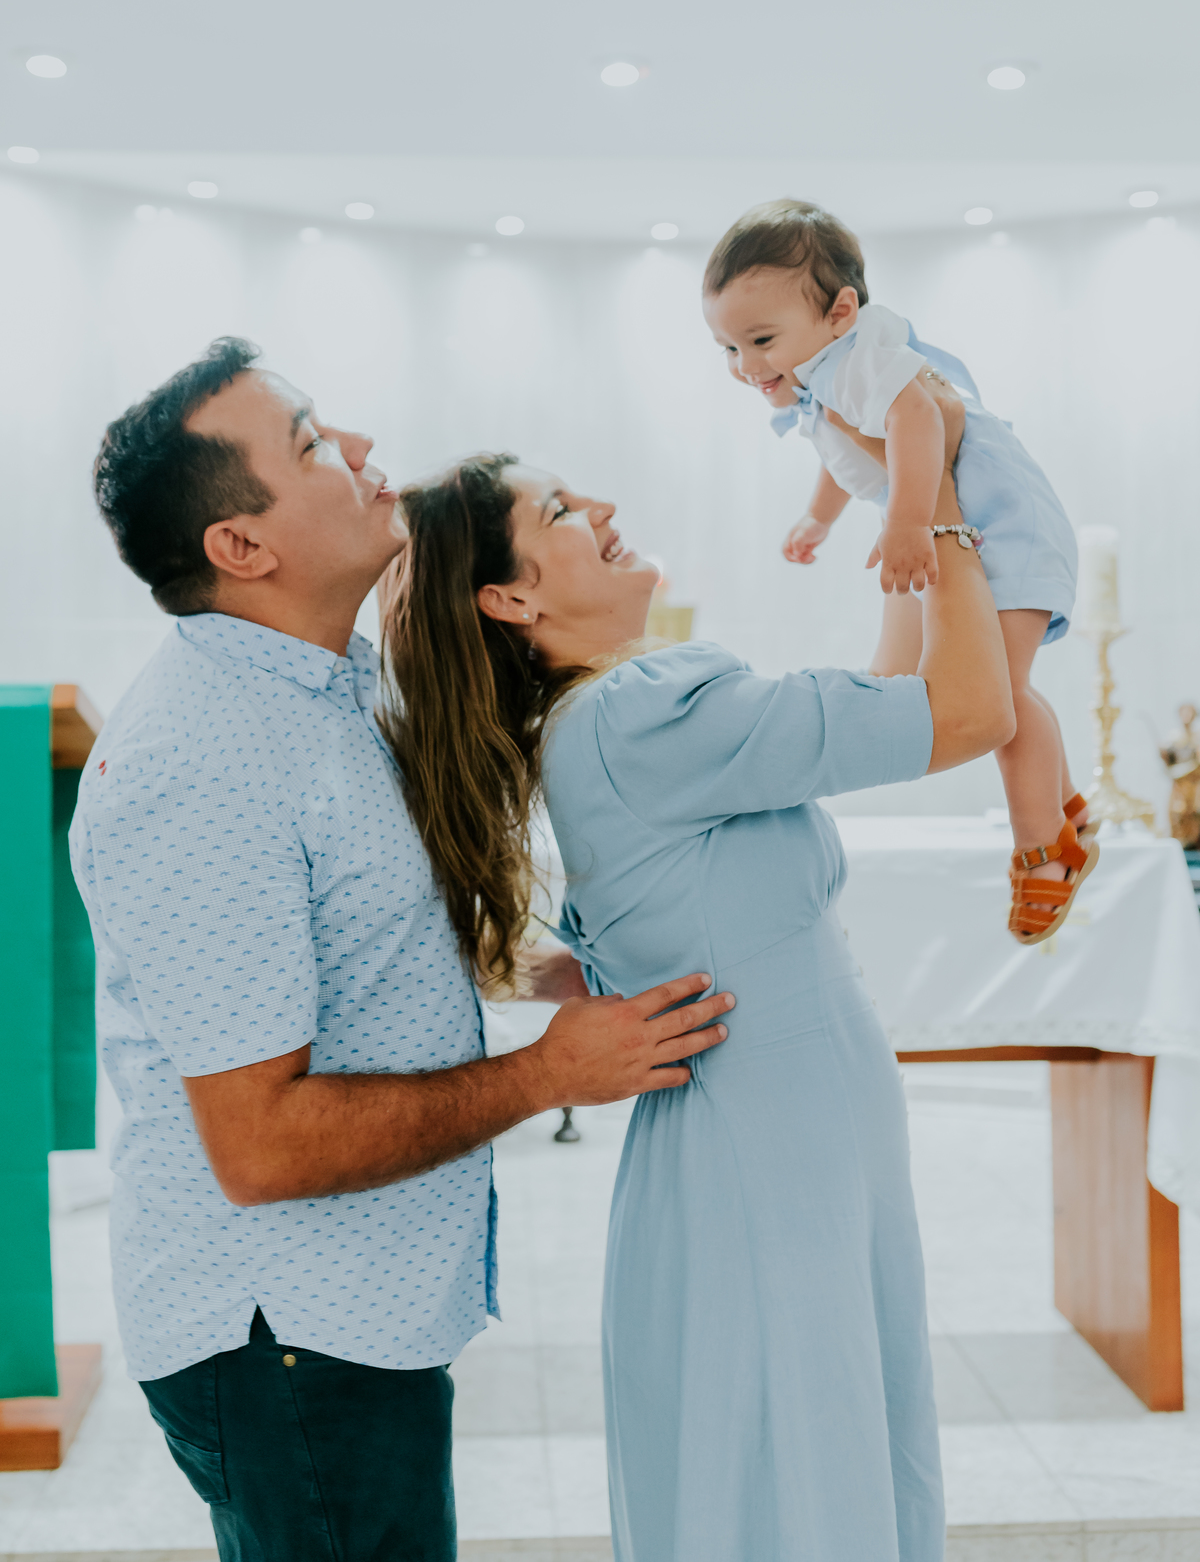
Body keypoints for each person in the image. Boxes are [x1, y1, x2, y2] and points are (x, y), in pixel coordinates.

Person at [69, 336, 732, 1562]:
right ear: (242, 547)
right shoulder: (203, 764)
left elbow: (358, 940)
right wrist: (548, 1074)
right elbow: (261, 1144)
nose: (366, 451)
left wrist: (554, 970)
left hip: (348, 1319)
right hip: (286, 1343)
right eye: (314, 444)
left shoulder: (321, 691)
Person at [381, 418, 1015, 1560]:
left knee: (807, 1448)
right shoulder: (641, 713)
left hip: (780, 1125)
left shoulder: (615, 722)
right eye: (564, 513)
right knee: (806, 1461)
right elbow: (970, 712)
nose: (607, 511)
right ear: (512, 603)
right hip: (775, 1137)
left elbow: (886, 702)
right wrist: (946, 501)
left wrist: (902, 534)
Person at [702, 198, 1098, 944]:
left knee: (1000, 696)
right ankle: (1064, 808)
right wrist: (821, 516)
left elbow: (917, 421)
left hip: (1005, 523)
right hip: (965, 520)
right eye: (727, 348)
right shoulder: (821, 371)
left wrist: (909, 519)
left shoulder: (861, 359)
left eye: (760, 340)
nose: (748, 366)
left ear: (841, 311)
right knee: (926, 683)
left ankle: (1045, 847)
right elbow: (845, 446)